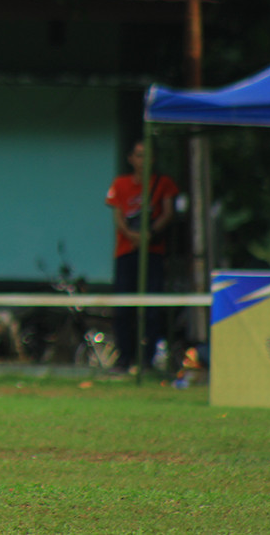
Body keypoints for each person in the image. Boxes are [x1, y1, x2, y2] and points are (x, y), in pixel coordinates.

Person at [105, 139, 179, 373]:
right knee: (123, 306)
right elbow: (117, 216)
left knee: (152, 307)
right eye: (138, 155)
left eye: (147, 155)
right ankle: (124, 357)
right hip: (126, 251)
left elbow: (168, 213)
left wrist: (151, 233)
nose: (142, 160)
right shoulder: (121, 183)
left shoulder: (163, 183)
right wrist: (131, 235)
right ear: (130, 158)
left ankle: (148, 359)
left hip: (153, 252)